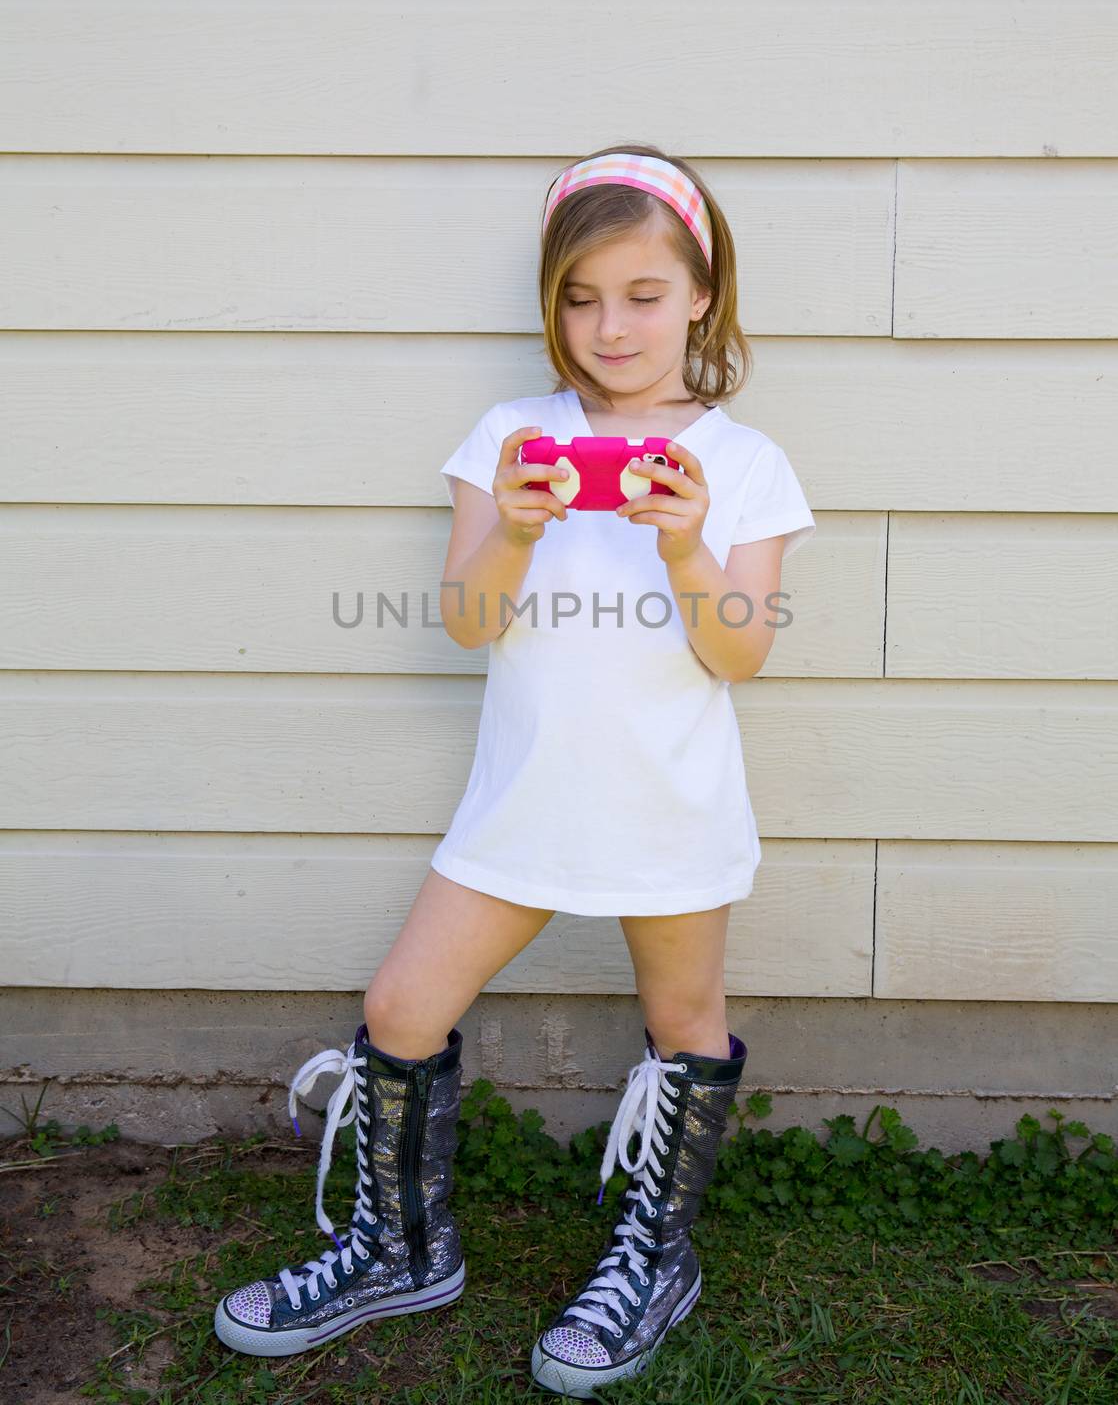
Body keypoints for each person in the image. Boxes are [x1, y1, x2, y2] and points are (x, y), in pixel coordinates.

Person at [213, 143, 816, 1397]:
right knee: (399, 1011)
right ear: (553, 303)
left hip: (669, 806)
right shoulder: (509, 438)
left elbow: (737, 655)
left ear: (701, 293)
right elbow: (471, 622)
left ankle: (653, 1255)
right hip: (523, 804)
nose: (611, 326)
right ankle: (399, 1248)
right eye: (581, 298)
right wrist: (514, 524)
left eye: (643, 295)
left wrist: (691, 545)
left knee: (683, 1027)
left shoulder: (745, 463)